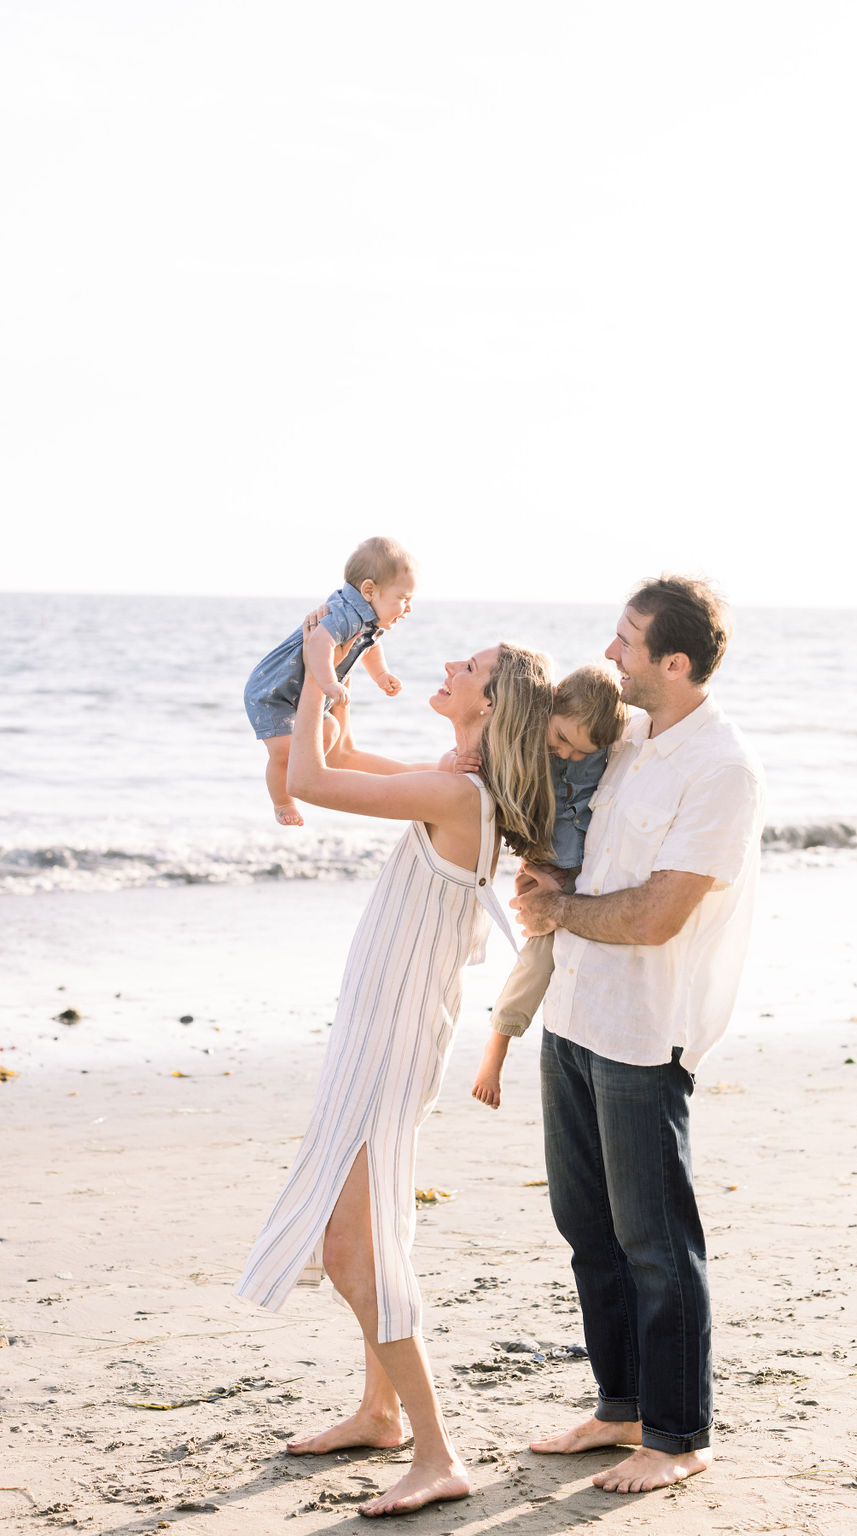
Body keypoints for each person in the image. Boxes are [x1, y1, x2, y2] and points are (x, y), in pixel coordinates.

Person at [236, 622, 555, 1518]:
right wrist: (328, 678)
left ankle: (439, 1452)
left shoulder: (464, 798)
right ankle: (381, 1414)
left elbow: (307, 779)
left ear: (490, 704)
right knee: (372, 1235)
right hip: (385, 1031)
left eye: (471, 666)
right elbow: (332, 752)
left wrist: (309, 671)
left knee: (352, 1247)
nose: (451, 665)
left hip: (392, 1040)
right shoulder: (453, 784)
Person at [512, 576, 766, 1496]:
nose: (609, 653)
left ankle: (680, 1433)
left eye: (627, 641)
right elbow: (556, 801)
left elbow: (659, 913)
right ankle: (620, 1407)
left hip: (645, 1032)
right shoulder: (622, 733)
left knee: (655, 1240)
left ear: (676, 662)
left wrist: (560, 908)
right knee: (586, 1227)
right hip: (574, 1015)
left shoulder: (722, 769)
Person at [472, 665, 628, 1109]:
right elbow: (510, 813)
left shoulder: (603, 739)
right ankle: (496, 1049)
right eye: (562, 739)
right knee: (537, 960)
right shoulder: (533, 744)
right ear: (554, 702)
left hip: (584, 874)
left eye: (582, 752)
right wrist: (538, 874)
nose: (567, 754)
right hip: (541, 866)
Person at [243, 535, 416, 827]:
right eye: (403, 599)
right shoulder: (345, 613)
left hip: (302, 692)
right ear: (369, 590)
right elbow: (319, 642)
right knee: (283, 753)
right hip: (274, 692)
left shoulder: (366, 620)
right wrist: (327, 683)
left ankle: (307, 771)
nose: (408, 608)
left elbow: (371, 645)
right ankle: (282, 802)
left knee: (330, 729)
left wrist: (381, 674)